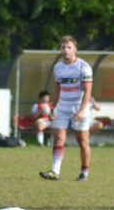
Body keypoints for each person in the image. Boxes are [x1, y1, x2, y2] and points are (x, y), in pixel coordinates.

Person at [40, 36, 93, 181]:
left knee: (82, 141)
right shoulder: (58, 67)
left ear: (75, 49)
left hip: (78, 106)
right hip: (62, 107)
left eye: (69, 47)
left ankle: (84, 171)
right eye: (63, 47)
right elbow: (57, 90)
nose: (66, 50)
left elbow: (88, 91)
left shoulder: (84, 67)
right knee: (58, 139)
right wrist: (53, 108)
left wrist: (82, 110)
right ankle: (55, 172)